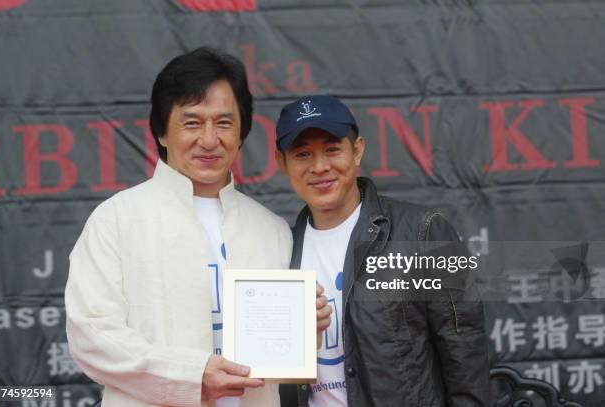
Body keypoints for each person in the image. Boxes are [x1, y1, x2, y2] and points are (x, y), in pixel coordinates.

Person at [65, 48, 331, 407]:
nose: (209, 139)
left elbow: (285, 357)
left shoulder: (271, 229)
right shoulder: (116, 220)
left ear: (241, 133)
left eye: (224, 123)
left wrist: (306, 327)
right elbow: (91, 336)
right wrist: (192, 376)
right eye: (192, 123)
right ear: (161, 132)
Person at [275, 95, 491, 407]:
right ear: (282, 163)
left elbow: (465, 354)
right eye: (303, 154)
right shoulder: (281, 248)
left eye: (332, 149)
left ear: (358, 150)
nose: (319, 167)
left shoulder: (422, 232)